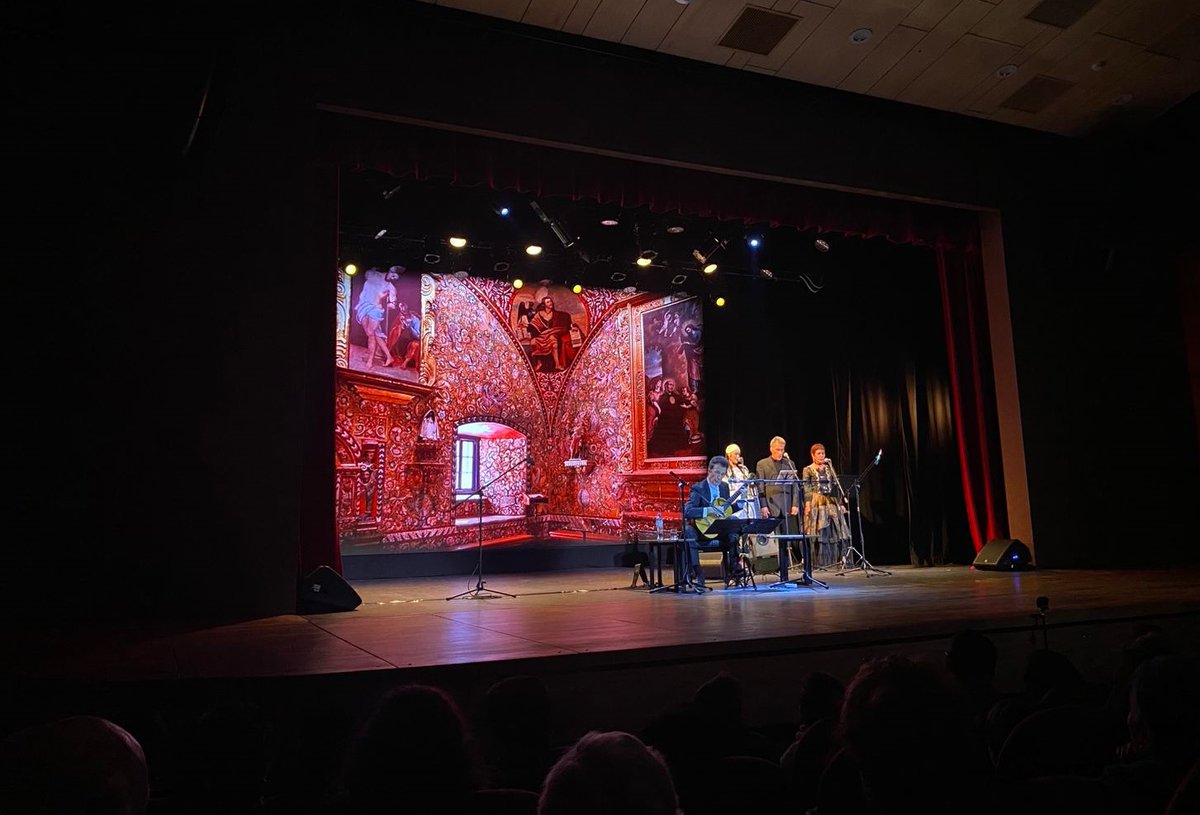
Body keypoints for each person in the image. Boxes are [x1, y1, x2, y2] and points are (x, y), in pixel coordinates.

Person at [681, 455, 743, 591]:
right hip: (703, 531)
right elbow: (688, 511)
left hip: (720, 530)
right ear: (709, 470)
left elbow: (725, 511)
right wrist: (708, 511)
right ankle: (698, 573)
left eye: (722, 474)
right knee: (688, 531)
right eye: (716, 473)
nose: (719, 477)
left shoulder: (725, 487)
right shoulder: (699, 488)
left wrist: (739, 505)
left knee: (734, 522)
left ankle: (734, 567)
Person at [801, 443, 851, 568]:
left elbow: (836, 486)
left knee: (835, 530)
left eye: (823, 453)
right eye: (818, 453)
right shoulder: (808, 469)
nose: (822, 456)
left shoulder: (829, 468)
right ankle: (820, 562)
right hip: (817, 502)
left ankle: (838, 559)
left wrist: (840, 503)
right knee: (821, 530)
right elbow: (806, 488)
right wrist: (807, 504)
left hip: (831, 500)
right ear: (813, 455)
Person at [756, 436, 801, 571]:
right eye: (777, 450)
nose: (780, 452)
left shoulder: (790, 463)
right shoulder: (762, 464)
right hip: (771, 504)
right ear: (771, 449)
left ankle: (787, 565)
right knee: (774, 538)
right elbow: (760, 487)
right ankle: (776, 565)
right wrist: (763, 505)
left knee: (788, 536)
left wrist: (795, 504)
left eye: (782, 450)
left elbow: (795, 487)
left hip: (787, 505)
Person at [354, 267, 399, 369]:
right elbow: (367, 275)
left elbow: (393, 301)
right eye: (392, 275)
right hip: (363, 306)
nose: (392, 278)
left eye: (395, 278)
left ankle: (370, 360)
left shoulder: (390, 287)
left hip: (376, 310)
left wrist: (391, 303)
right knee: (373, 334)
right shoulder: (372, 275)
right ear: (389, 271)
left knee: (371, 333)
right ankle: (389, 357)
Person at [526, 295, 576, 371]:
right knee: (533, 342)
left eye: (551, 301)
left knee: (553, 341)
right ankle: (539, 363)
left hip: (551, 334)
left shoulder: (556, 314)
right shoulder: (539, 314)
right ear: (544, 304)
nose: (550, 303)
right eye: (548, 302)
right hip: (541, 335)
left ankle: (557, 364)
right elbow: (533, 324)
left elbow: (560, 325)